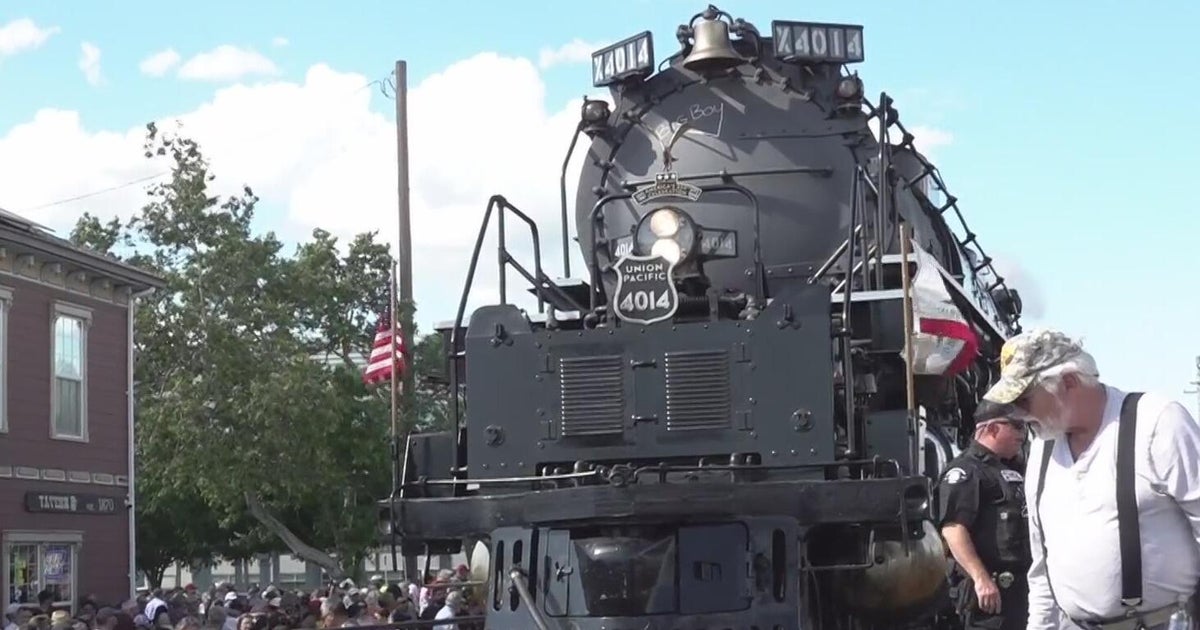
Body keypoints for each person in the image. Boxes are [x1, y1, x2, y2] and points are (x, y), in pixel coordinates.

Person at [979, 328, 1200, 629]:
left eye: (1024, 399)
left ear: (1068, 382)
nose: (1018, 414)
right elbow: (1042, 563)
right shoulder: (1043, 449)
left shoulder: (1157, 422)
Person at [938, 400, 1032, 630]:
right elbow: (953, 529)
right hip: (991, 594)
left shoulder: (1009, 469)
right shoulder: (966, 471)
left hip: (1020, 590)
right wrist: (981, 579)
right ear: (991, 428)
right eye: (1017, 426)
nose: (1023, 434)